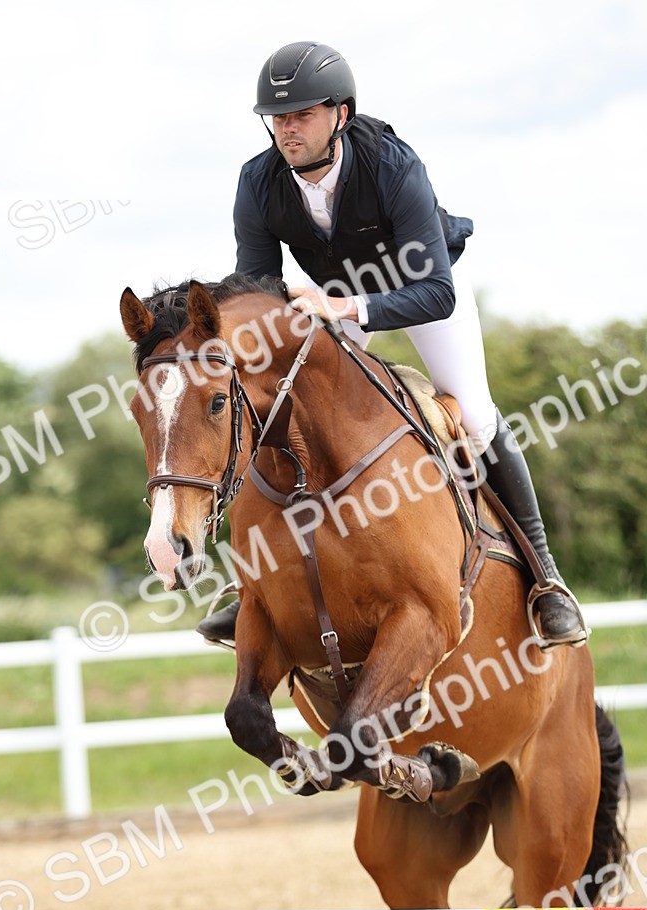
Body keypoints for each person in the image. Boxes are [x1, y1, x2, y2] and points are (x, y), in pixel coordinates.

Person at [197, 40, 587, 650]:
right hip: (332, 299)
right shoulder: (258, 180)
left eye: (300, 114)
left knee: (477, 416)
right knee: (271, 407)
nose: (286, 128)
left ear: (341, 116)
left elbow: (437, 293)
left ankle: (545, 578)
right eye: (277, 117)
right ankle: (253, 582)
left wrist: (348, 307)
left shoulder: (394, 167)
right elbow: (259, 288)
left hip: (420, 288)